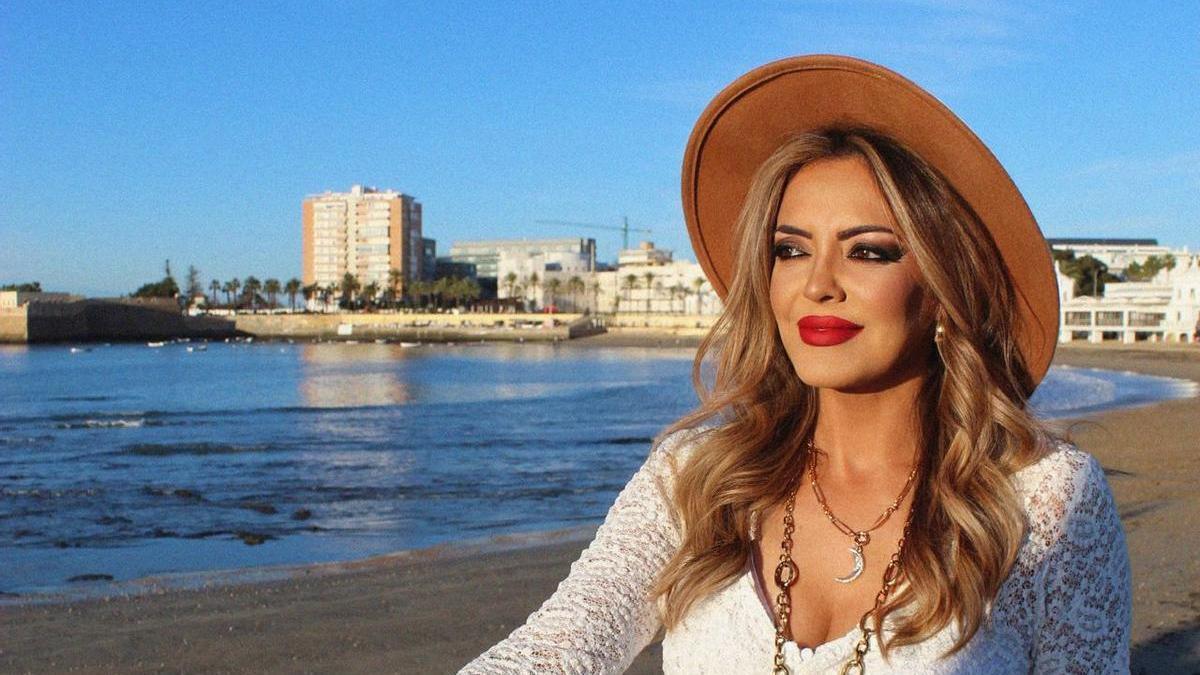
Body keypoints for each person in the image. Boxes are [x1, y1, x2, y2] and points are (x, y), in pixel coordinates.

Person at [460, 55, 1131, 674]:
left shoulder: (1044, 499)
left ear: (940, 289)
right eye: (790, 250)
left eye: (867, 251)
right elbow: (556, 648)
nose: (818, 283)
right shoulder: (699, 478)